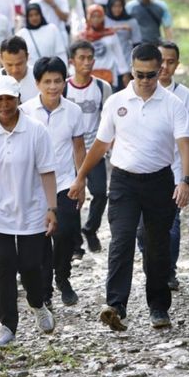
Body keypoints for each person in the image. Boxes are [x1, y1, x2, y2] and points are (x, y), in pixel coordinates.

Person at [69, 43, 189, 331]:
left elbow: (184, 144)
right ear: (131, 71)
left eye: (151, 75)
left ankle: (159, 307)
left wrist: (185, 180)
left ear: (160, 70)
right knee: (121, 240)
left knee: (156, 245)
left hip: (159, 181)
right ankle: (116, 305)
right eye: (140, 75)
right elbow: (100, 144)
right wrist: (81, 176)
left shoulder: (173, 104)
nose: (146, 81)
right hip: (124, 181)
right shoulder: (117, 102)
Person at [0, 75, 59, 347]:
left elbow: (47, 172)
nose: (4, 104)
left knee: (31, 265)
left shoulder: (36, 131)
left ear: (18, 99)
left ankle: (37, 302)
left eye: (9, 98)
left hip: (32, 210)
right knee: (4, 266)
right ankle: (7, 326)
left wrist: (52, 207)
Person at [20, 57, 86, 308]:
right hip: (35, 186)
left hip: (65, 182)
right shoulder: (25, 111)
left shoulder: (73, 111)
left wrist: (81, 181)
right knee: (41, 238)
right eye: (47, 81)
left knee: (66, 233)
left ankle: (63, 277)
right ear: (37, 83)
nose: (53, 87)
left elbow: (79, 148)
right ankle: (45, 290)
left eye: (58, 81)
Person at [137, 41, 189, 291]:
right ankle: (153, 266)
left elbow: (187, 138)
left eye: (171, 62)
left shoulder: (183, 96)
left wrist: (186, 178)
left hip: (173, 172)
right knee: (142, 230)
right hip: (143, 173)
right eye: (163, 61)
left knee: (170, 227)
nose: (166, 67)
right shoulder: (138, 92)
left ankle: (168, 271)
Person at [65, 40, 113, 257]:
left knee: (101, 193)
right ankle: (75, 245)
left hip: (94, 151)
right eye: (81, 58)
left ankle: (90, 228)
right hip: (69, 152)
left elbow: (110, 119)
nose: (86, 62)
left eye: (89, 58)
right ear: (72, 61)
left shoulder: (103, 87)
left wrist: (111, 145)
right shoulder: (64, 87)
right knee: (72, 196)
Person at [0, 36, 40, 126]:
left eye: (19, 64)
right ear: (1, 58)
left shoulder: (39, 78)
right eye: (9, 65)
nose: (14, 69)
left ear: (27, 56)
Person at [76, 4, 129, 88]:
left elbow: (119, 54)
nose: (96, 19)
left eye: (98, 16)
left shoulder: (111, 34)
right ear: (88, 17)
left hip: (108, 75)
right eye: (93, 16)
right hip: (89, 75)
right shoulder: (83, 37)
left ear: (103, 17)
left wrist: (125, 73)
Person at [104, 0, 142, 90]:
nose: (117, 9)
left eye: (119, 6)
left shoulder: (131, 21)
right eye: (114, 6)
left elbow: (137, 43)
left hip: (126, 59)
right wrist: (119, 27)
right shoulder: (104, 19)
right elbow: (99, 33)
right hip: (109, 62)